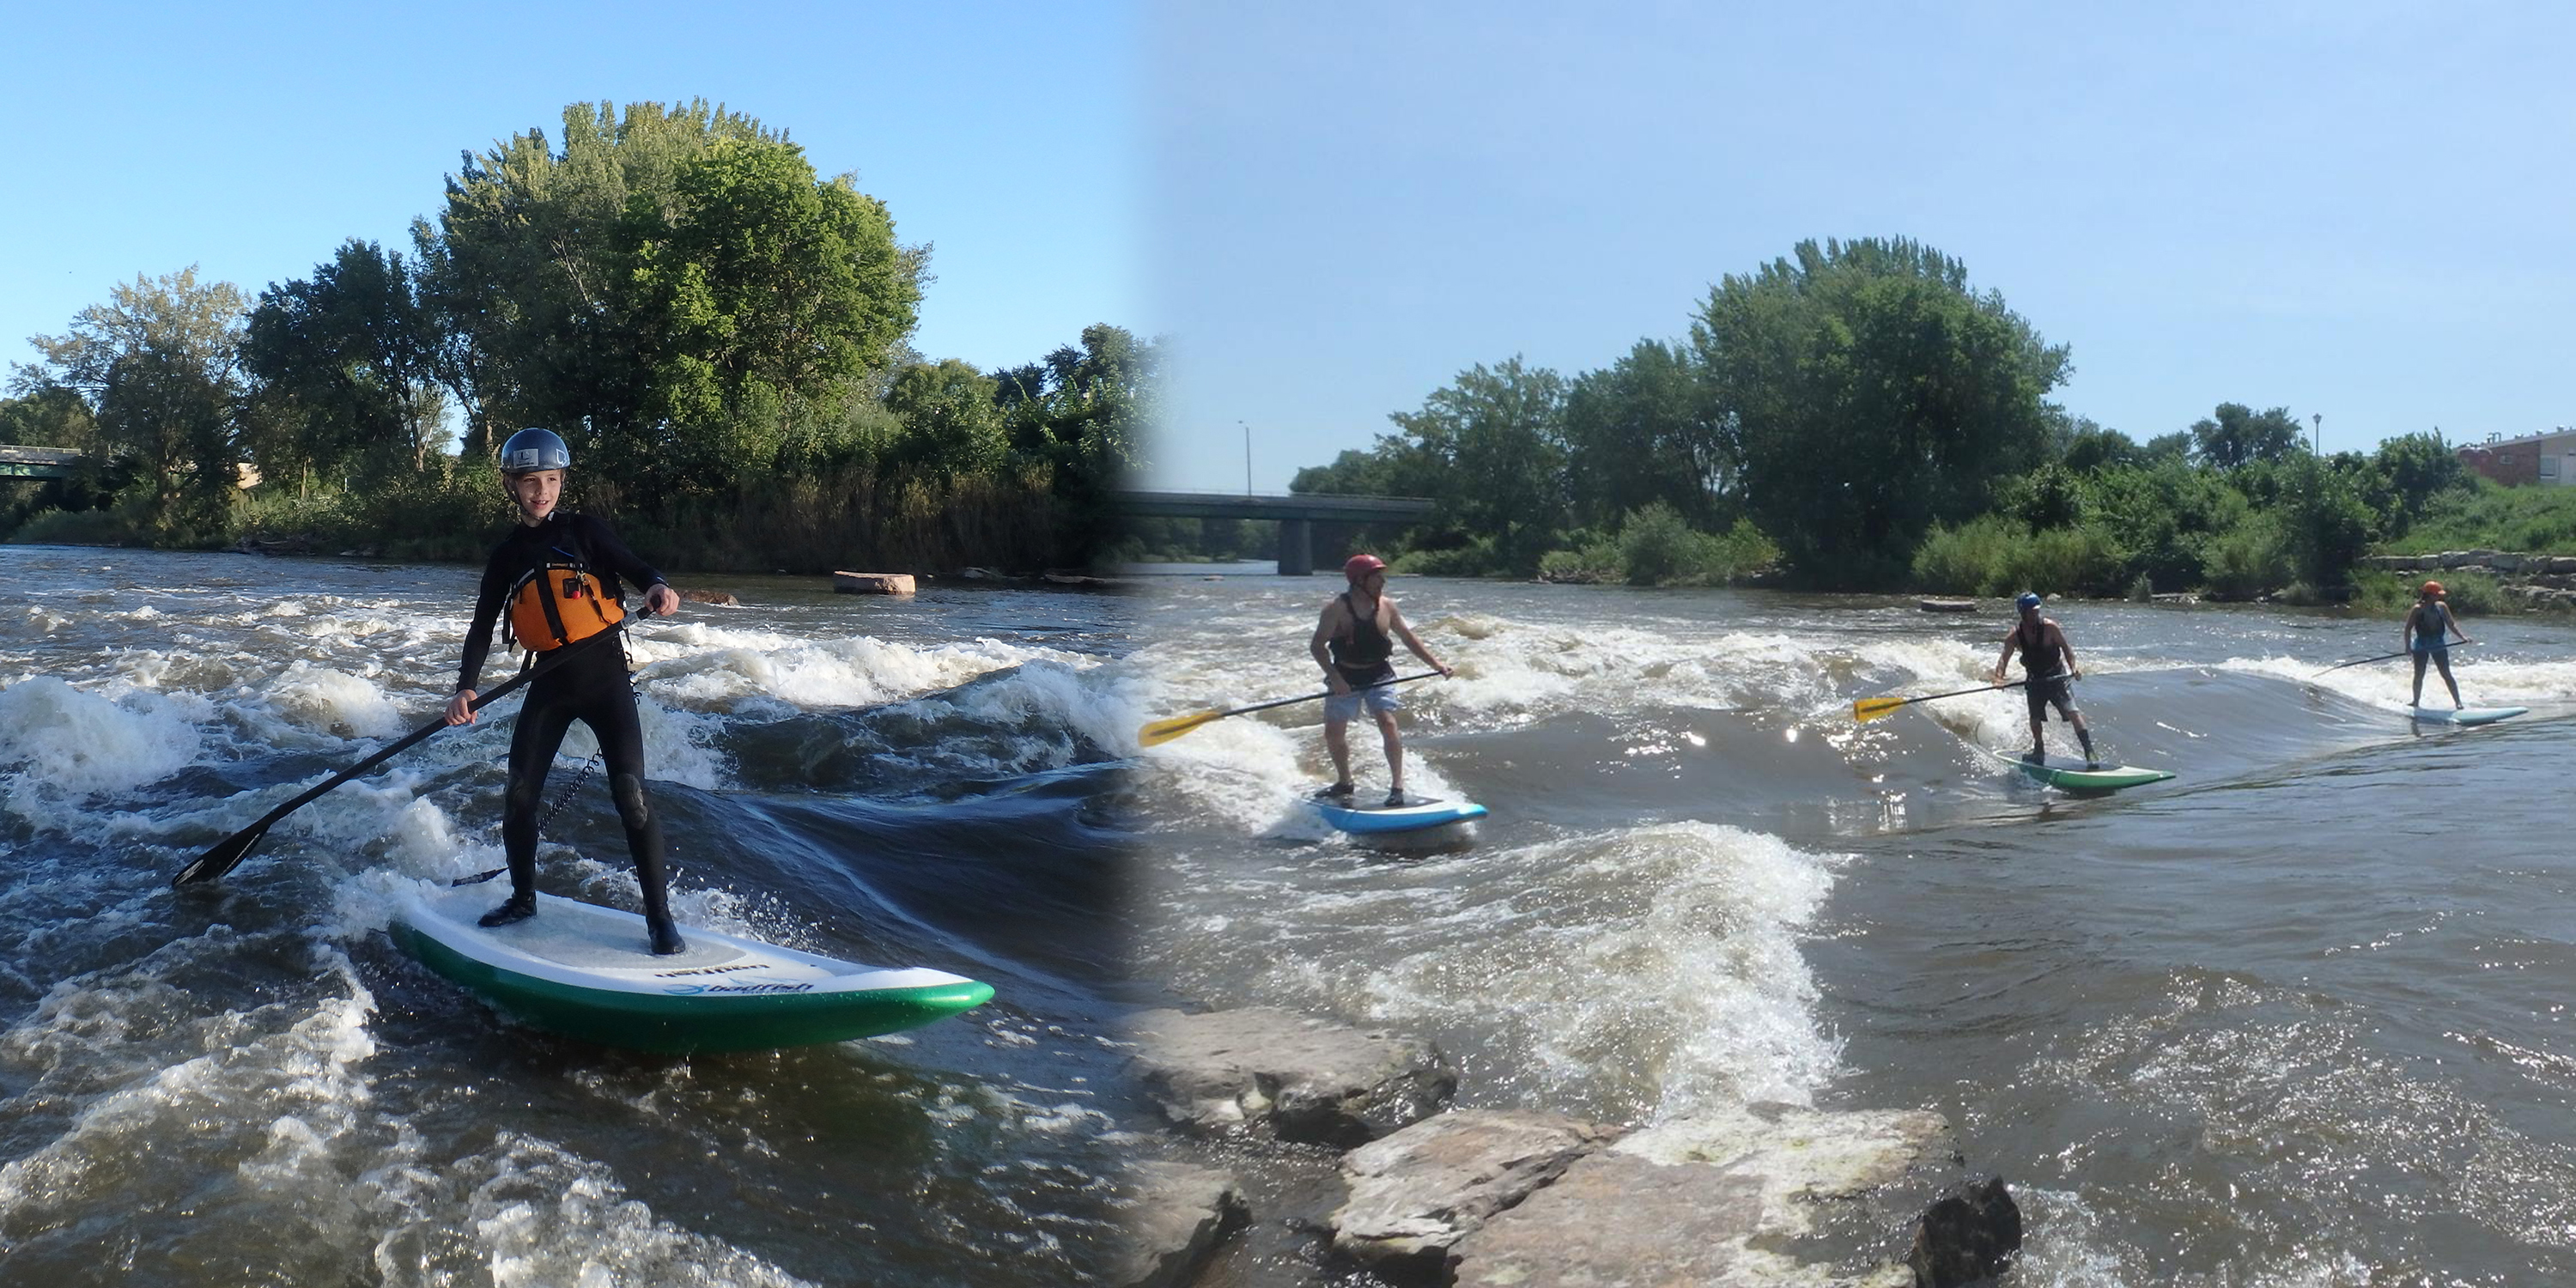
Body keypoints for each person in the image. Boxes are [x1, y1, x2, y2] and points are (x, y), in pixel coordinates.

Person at [444, 428, 688, 953]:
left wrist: (657, 586)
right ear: (511, 485)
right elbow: (483, 626)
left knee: (632, 795)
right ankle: (523, 898)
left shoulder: (585, 531)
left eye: (551, 480)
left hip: (605, 681)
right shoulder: (507, 554)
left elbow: (636, 567)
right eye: (531, 482)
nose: (542, 492)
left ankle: (660, 920)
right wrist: (465, 689)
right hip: (549, 682)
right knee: (519, 794)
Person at [1309, 553, 1453, 806]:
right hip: (1345, 675)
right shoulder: (1336, 609)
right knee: (1334, 733)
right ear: (1359, 580)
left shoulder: (1388, 606)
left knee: (1387, 722)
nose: (1382, 582)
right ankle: (1345, 782)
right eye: (1376, 577)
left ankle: (1397, 787)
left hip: (1379, 674)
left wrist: (1437, 664)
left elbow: (1408, 639)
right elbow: (1317, 646)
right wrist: (1336, 678)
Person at [1990, 591, 2098, 769]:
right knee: (2035, 718)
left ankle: (2089, 751)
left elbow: (2067, 649)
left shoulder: (2050, 627)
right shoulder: (2014, 635)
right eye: (2031, 612)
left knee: (2073, 712)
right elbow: (2003, 659)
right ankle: (2039, 750)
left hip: (2057, 676)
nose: (2035, 614)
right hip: (2035, 680)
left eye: (2037, 611)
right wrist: (1998, 678)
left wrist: (2074, 668)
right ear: (2022, 613)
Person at [2404, 580, 2474, 709]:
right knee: (2419, 674)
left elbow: (2451, 624)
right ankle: (2415, 702)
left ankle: (2458, 702)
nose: (2439, 596)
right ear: (2430, 595)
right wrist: (2408, 647)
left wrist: (2462, 637)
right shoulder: (2417, 609)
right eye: (2437, 594)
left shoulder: (2442, 606)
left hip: (2438, 644)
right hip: (2421, 645)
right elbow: (2408, 628)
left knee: (2446, 673)